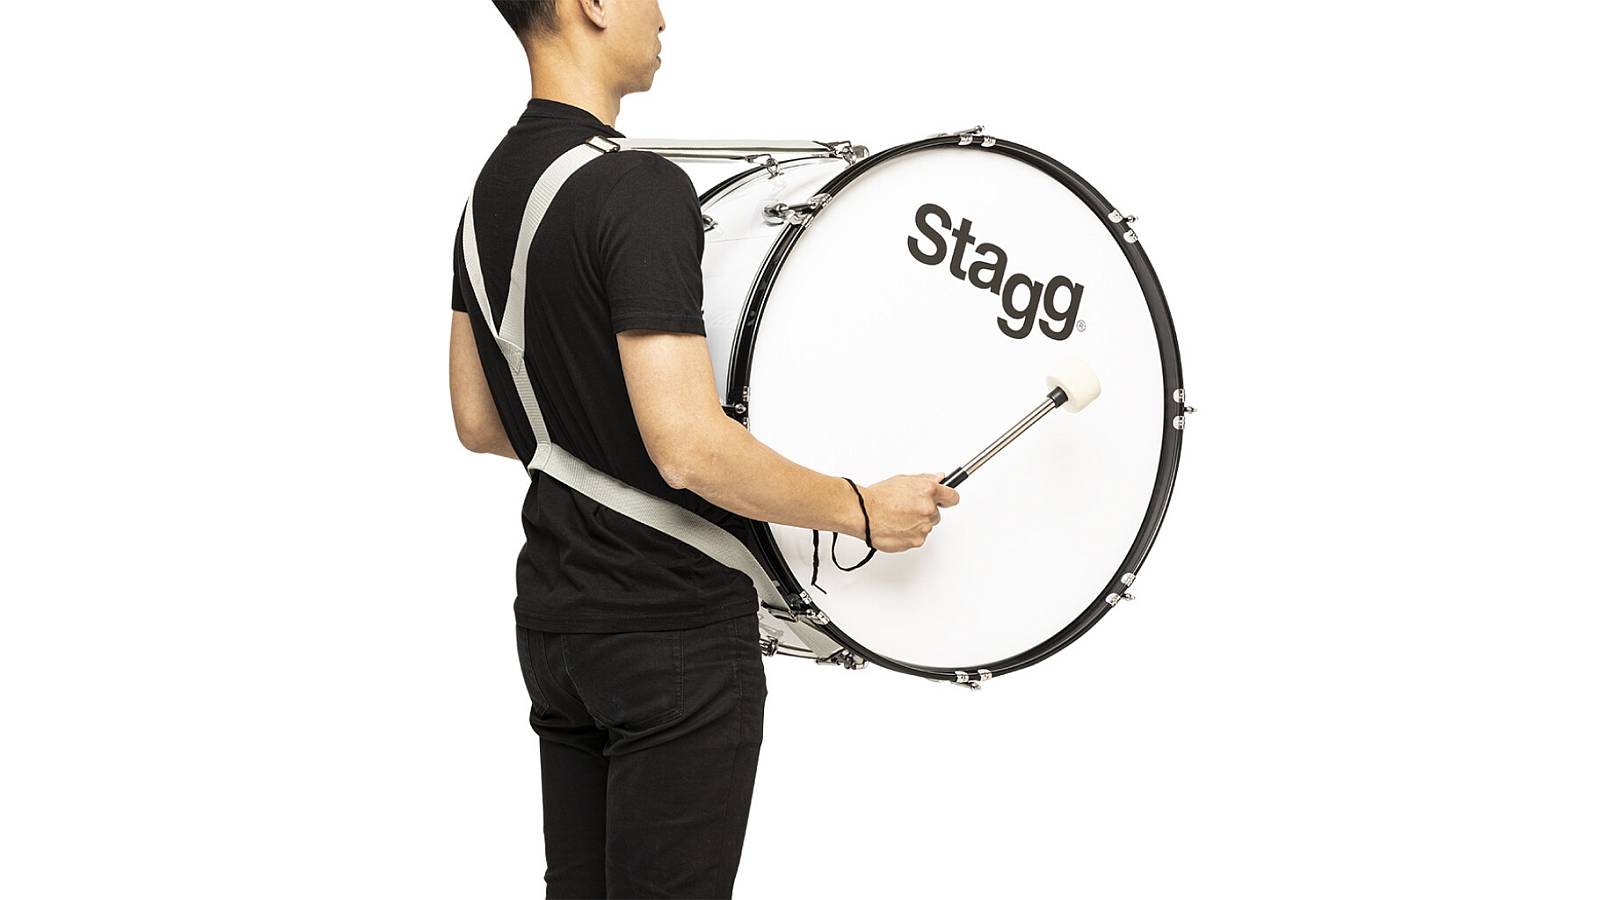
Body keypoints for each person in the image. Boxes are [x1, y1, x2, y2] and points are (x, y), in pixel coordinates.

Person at [447, 1, 960, 896]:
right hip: (669, 635)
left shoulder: (490, 191)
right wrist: (861, 509)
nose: (664, 14)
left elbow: (480, 420)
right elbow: (687, 447)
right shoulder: (637, 186)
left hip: (559, 622)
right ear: (590, 5)